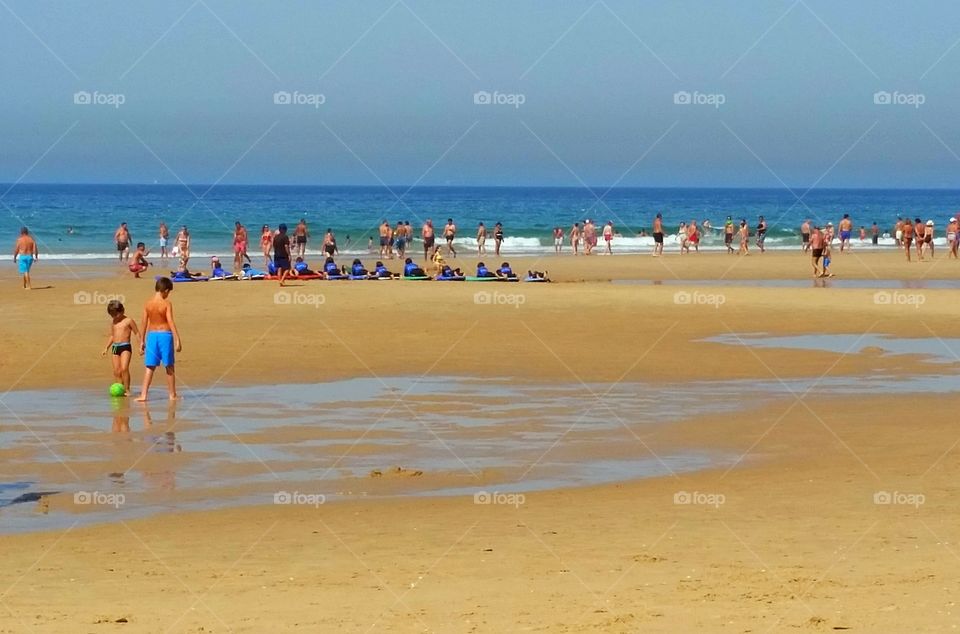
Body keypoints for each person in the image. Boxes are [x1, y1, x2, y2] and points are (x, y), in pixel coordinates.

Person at [135, 277, 181, 402]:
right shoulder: (166, 303)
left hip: (152, 336)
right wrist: (177, 339)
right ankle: (172, 395)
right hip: (165, 335)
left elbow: (144, 323)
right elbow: (170, 321)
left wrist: (141, 341)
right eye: (168, 292)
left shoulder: (147, 303)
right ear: (165, 290)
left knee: (150, 367)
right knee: (169, 366)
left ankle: (143, 395)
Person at [102, 299, 140, 396]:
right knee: (116, 371)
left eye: (115, 315)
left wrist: (140, 345)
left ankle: (127, 389)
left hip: (125, 346)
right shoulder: (113, 322)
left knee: (124, 368)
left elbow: (137, 333)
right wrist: (106, 347)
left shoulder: (129, 321)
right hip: (115, 347)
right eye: (112, 315)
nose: (114, 317)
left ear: (122, 311)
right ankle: (120, 388)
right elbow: (112, 335)